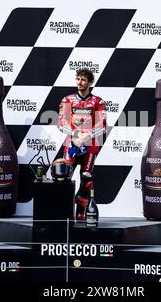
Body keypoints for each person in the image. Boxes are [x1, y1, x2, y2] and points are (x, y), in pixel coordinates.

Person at [57, 69, 107, 220]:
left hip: (90, 146)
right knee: (64, 177)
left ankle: (82, 212)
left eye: (83, 80)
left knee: (86, 178)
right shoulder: (67, 100)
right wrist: (76, 136)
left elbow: (102, 125)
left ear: (90, 82)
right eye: (78, 79)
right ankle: (63, 213)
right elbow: (61, 122)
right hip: (71, 144)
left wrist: (87, 136)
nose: (79, 82)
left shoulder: (98, 102)